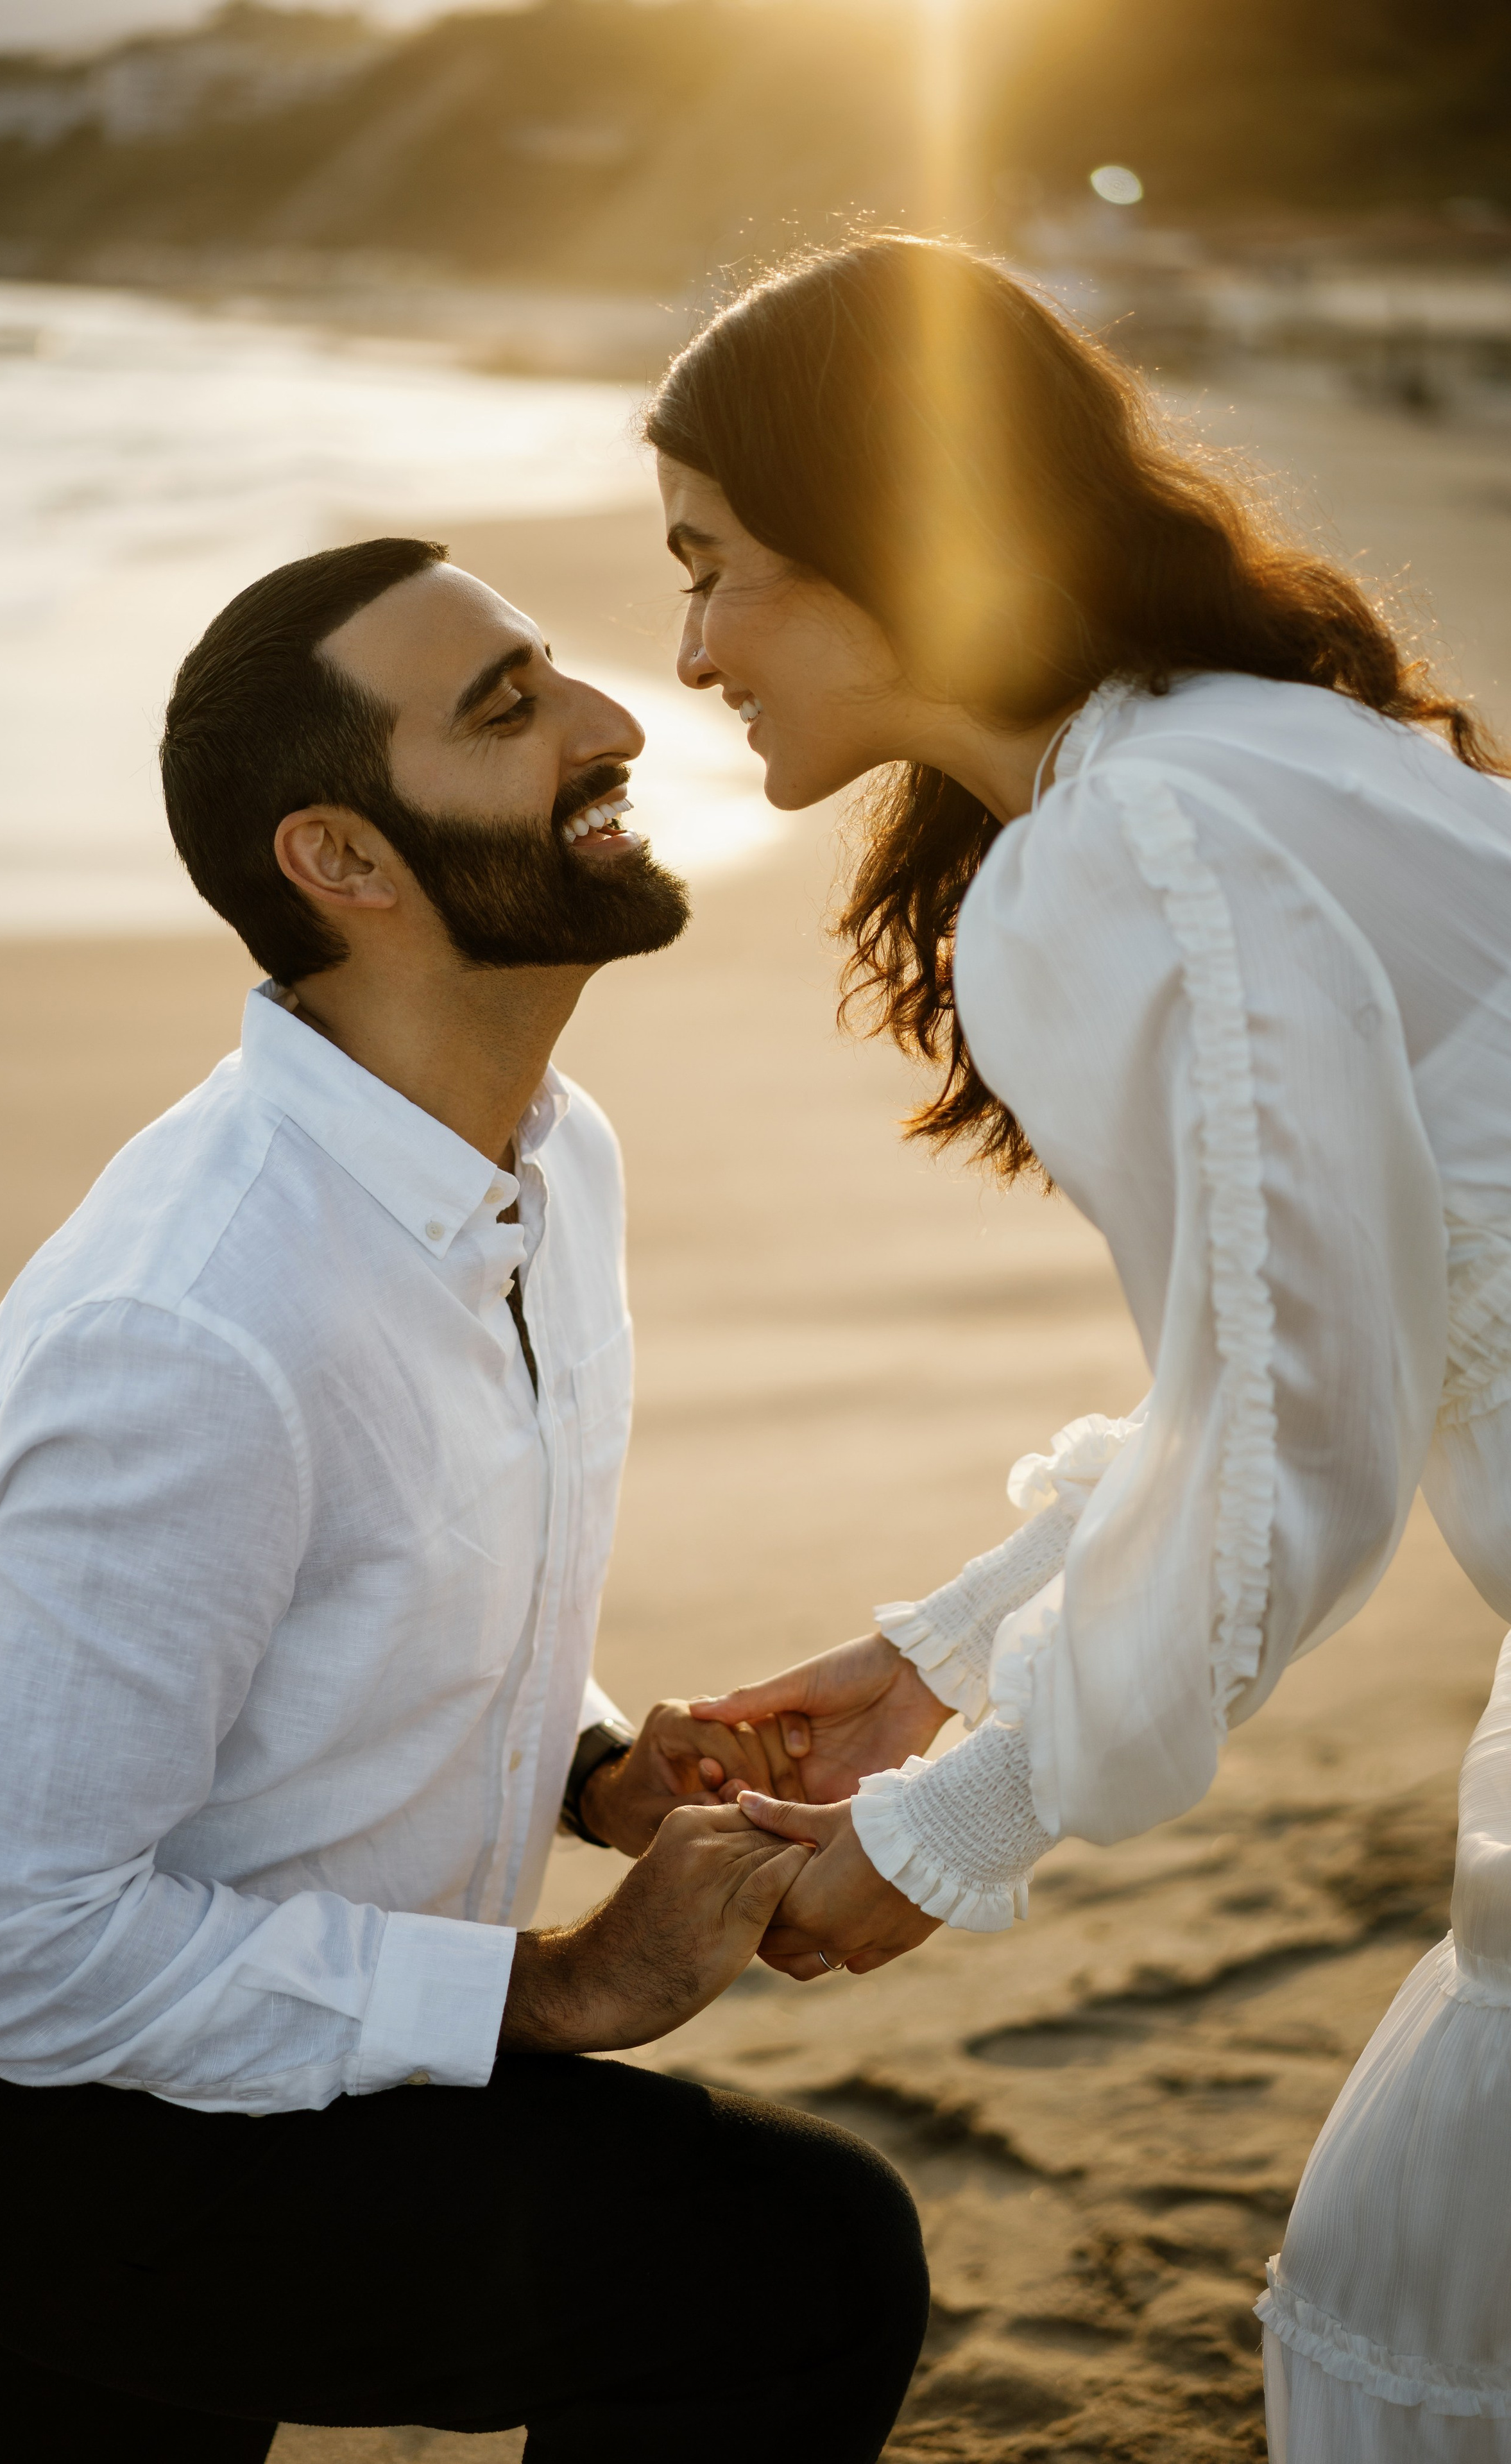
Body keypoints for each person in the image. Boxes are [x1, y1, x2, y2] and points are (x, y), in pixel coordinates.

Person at [0, 537, 929, 2463]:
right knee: (800, 2266)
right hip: (31, 2097)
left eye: (560, 673)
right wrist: (551, 1987)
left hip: (236, 2004)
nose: (619, 722)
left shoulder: (546, 1152)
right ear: (342, 863)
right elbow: (17, 1960)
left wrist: (598, 1770)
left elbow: (398, 1596)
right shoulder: (194, 1332)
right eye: (509, 715)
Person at [644, 235, 1511, 2459]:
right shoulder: (1219, 757)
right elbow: (1302, 1353)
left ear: (882, 533)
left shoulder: (1133, 842)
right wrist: (946, 1647)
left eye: (716, 567)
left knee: (1426, 2305)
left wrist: (955, 1825)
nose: (690, 648)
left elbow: (1297, 1439)